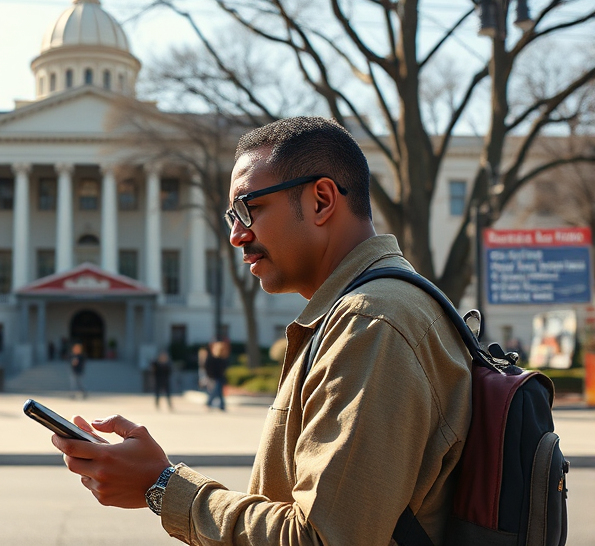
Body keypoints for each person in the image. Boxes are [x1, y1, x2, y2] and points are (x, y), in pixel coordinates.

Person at [50, 117, 472, 546]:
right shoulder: (367, 313)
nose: (236, 236)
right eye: (232, 215)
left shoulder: (371, 324)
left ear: (321, 201)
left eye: (249, 209)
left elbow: (320, 539)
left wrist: (161, 486)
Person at [204, 341, 228, 411]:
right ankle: (210, 403)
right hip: (214, 377)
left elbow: (224, 368)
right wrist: (210, 375)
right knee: (216, 390)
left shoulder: (222, 359)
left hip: (220, 376)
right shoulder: (211, 358)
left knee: (219, 391)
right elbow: (207, 367)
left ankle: (221, 405)